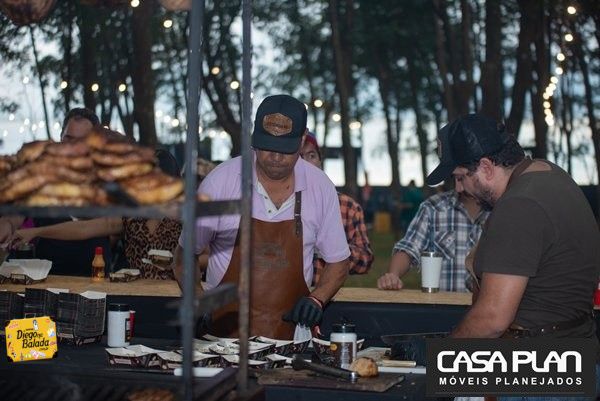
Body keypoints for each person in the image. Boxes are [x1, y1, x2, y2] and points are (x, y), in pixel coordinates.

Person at [427, 114, 600, 399]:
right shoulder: (552, 175)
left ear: (486, 167)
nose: (458, 189)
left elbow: (493, 319)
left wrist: (442, 361)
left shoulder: (519, 204)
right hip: (573, 361)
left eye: (460, 177)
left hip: (540, 374)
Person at [173, 94, 350, 339]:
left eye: (284, 149)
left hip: (291, 341)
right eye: (267, 147)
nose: (275, 157)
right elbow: (184, 256)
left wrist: (317, 299)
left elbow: (339, 261)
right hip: (221, 341)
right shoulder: (220, 183)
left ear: (302, 140)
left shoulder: (320, 187)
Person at [10, 149, 183, 279]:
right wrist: (36, 232)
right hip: (136, 295)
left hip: (175, 296)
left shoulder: (184, 219)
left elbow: (199, 259)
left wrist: (177, 264)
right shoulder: (130, 217)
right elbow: (83, 229)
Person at [378, 122, 489, 293]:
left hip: (489, 307)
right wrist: (393, 275)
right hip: (442, 306)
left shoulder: (503, 210)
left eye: (461, 178)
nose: (458, 187)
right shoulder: (434, 208)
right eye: (454, 178)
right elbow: (408, 248)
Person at [0, 107, 111, 275]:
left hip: (95, 278)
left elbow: (101, 228)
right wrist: (7, 224)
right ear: (60, 138)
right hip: (47, 279)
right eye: (68, 138)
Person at [300, 131, 374, 284]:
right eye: (299, 157)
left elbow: (365, 260)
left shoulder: (347, 206)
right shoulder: (279, 201)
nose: (305, 163)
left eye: (311, 155)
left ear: (320, 161)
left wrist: (334, 249)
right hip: (284, 292)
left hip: (327, 294)